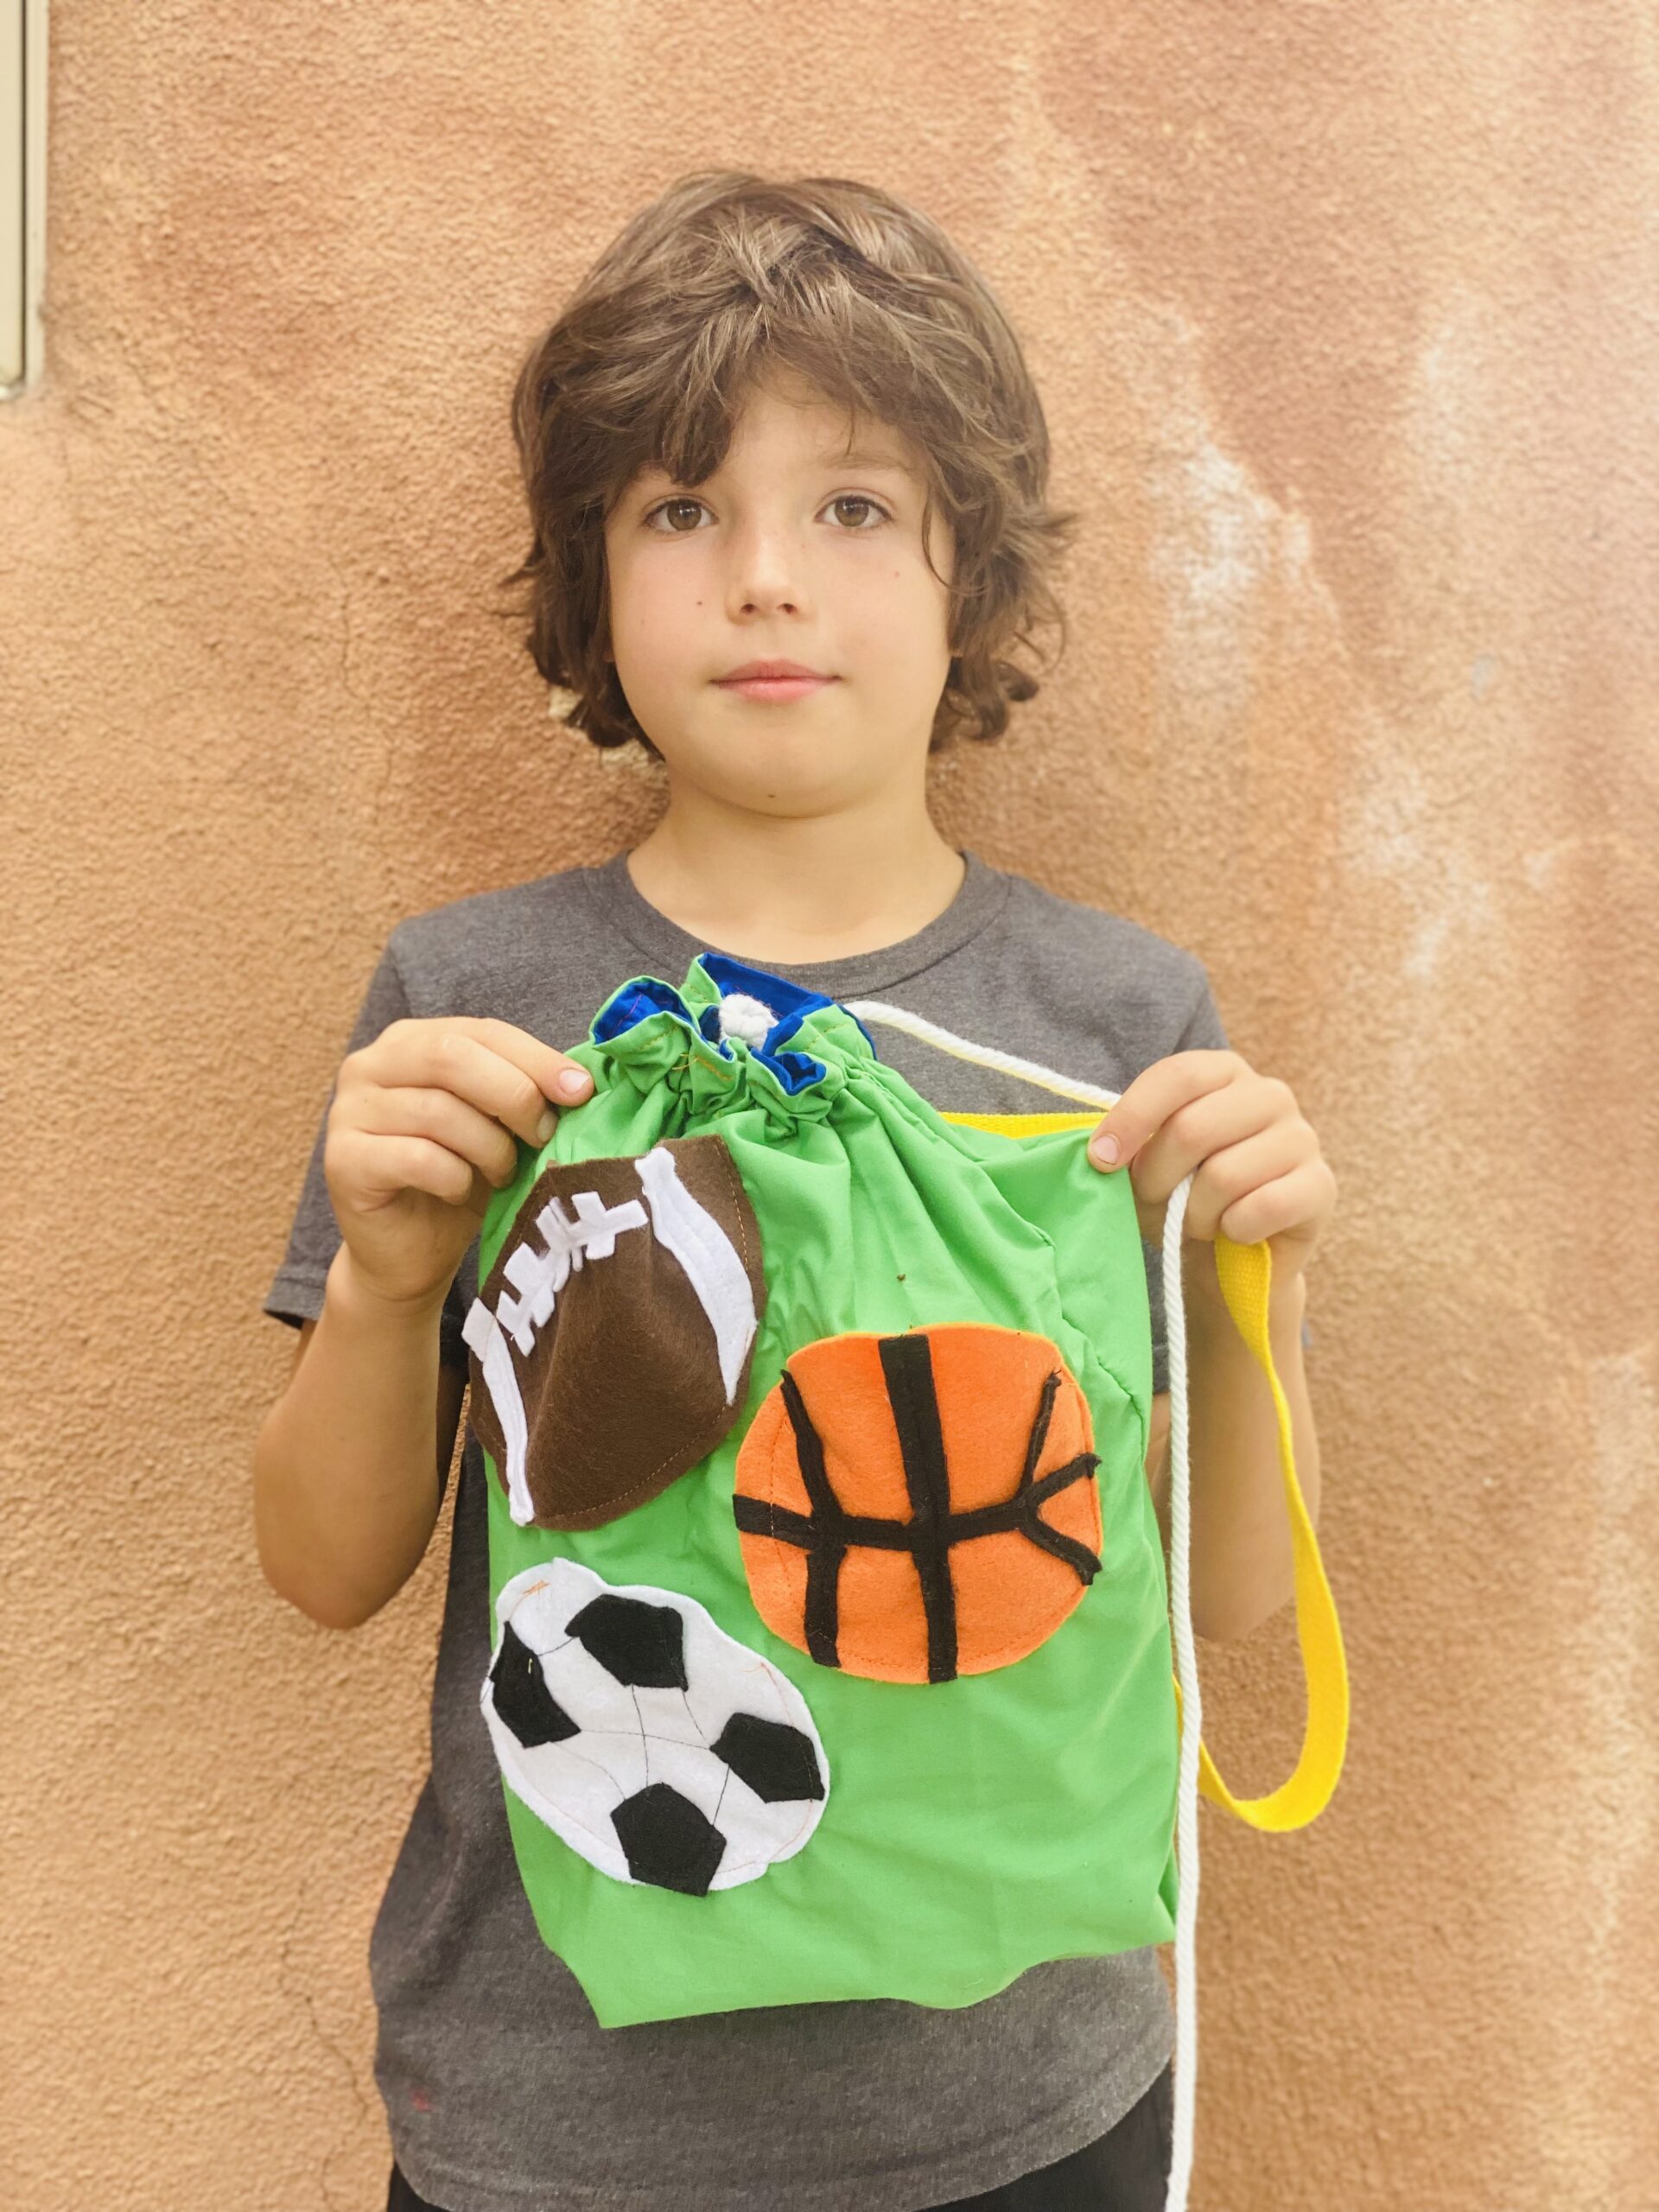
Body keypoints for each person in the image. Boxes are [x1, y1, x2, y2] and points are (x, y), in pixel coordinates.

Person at [255, 168, 1332, 2212]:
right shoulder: (475, 1002)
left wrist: (1245, 1289)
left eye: (852, 507)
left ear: (970, 580)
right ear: (594, 581)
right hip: (549, 2116)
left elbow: (1223, 1605)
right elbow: (324, 1566)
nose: (765, 579)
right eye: (682, 510)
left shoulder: (1111, 1018)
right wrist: (393, 1280)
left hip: (1035, 2100)